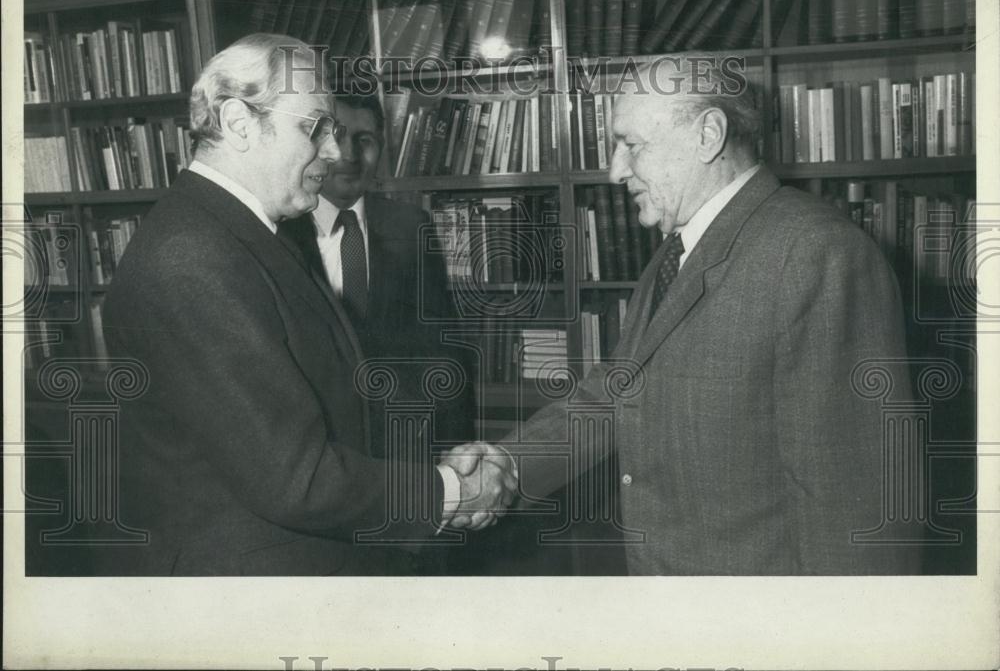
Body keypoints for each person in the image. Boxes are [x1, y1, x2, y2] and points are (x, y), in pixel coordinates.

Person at [476, 60, 922, 574]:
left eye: (631, 145)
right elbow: (617, 390)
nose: (615, 170)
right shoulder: (679, 249)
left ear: (708, 135)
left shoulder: (819, 254)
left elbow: (857, 510)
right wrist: (508, 464)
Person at [100, 34, 512, 575]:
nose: (336, 152)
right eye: (313, 127)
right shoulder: (191, 258)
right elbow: (296, 478)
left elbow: (332, 406)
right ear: (239, 123)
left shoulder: (248, 234)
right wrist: (449, 491)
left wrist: (440, 468)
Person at [277, 93, 474, 453]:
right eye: (337, 136)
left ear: (381, 148)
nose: (350, 156)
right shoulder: (281, 232)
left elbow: (444, 348)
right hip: (317, 447)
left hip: (402, 446)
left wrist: (456, 446)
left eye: (364, 141)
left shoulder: (410, 225)